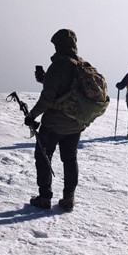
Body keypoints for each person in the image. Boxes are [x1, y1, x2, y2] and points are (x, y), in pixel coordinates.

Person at [24, 29, 86, 211]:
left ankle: (44, 198)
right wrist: (45, 80)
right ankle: (69, 198)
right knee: (70, 158)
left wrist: (31, 115)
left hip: (54, 124)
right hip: (75, 123)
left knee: (43, 156)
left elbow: (48, 98)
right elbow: (67, 89)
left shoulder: (58, 66)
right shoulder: (80, 64)